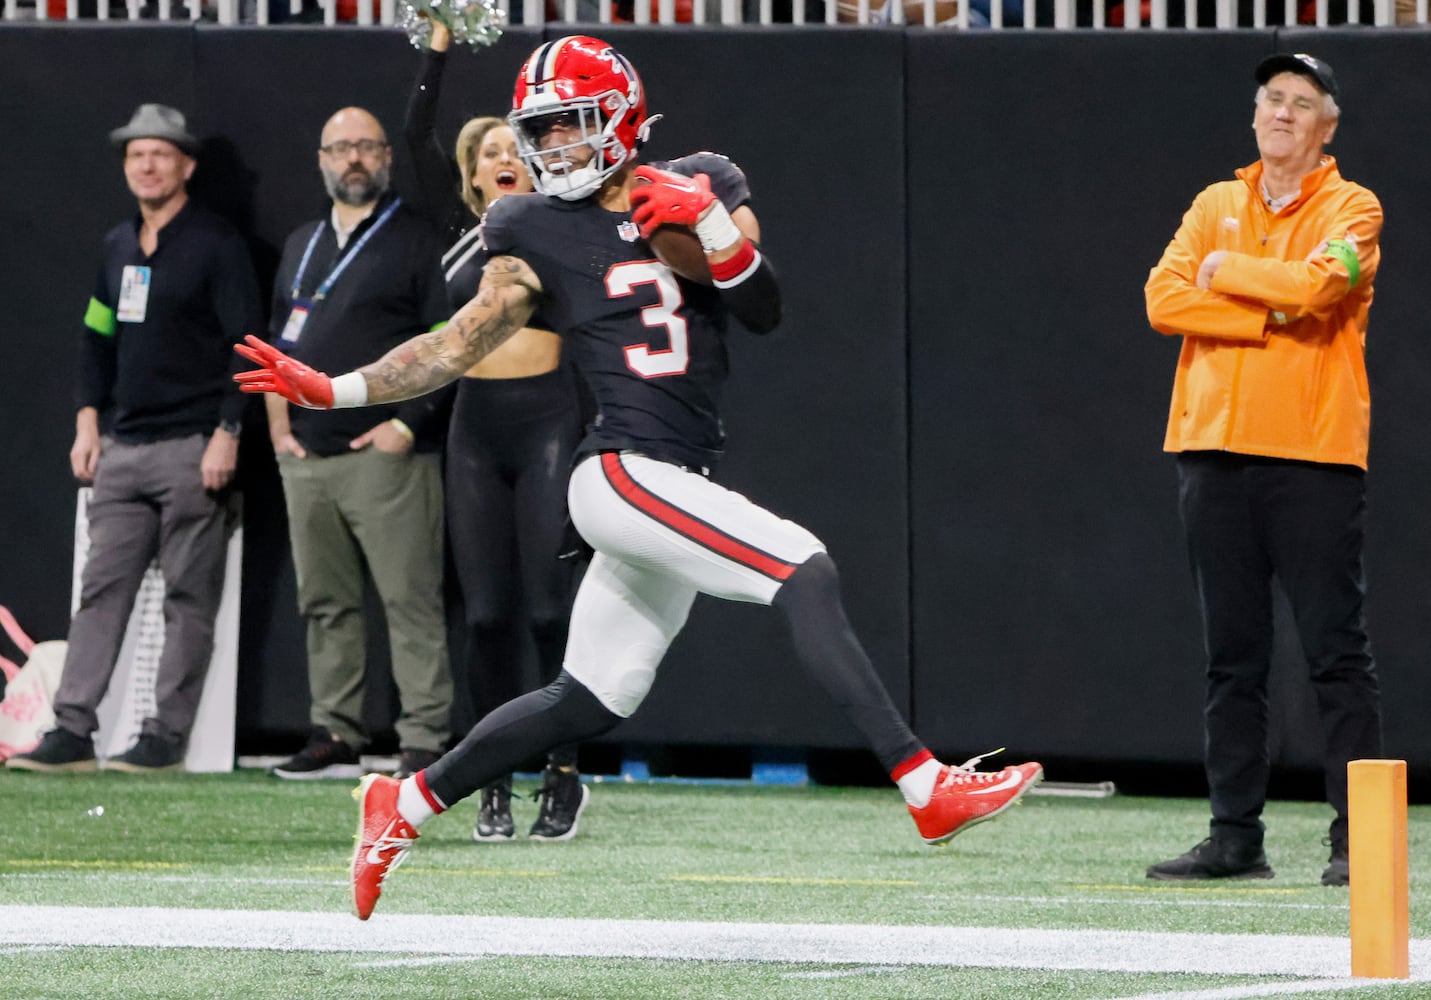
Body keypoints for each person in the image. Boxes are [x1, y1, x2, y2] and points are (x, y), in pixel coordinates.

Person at [234, 35, 1044, 921]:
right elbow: (456, 341)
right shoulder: (527, 225)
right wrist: (338, 388)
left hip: (669, 472)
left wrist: (705, 222)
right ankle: (924, 784)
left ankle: (406, 801)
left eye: (570, 126)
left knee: (588, 696)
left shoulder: (700, 178)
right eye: (539, 131)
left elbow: (760, 305)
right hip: (621, 469)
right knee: (801, 566)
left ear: (620, 117)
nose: (553, 149)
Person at [1143, 53, 1383, 888]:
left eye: (1301, 103)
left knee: (1333, 654)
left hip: (1311, 458)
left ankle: (1360, 842)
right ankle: (1233, 837)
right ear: (1254, 118)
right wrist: (1262, 311)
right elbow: (1162, 301)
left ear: (1326, 126)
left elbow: (1323, 290)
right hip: (1211, 451)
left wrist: (1228, 276)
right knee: (1231, 658)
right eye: (1271, 100)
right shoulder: (1215, 202)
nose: (1282, 113)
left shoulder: (1353, 208)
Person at [7, 104, 262, 774]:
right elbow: (96, 337)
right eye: (135, 155)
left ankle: (162, 737)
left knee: (187, 597)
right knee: (98, 592)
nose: (146, 165)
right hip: (122, 447)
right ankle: (72, 731)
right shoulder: (118, 245)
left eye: (160, 154)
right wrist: (87, 419)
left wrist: (227, 431)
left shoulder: (216, 244)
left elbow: (247, 348)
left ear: (186, 165)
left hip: (192, 447)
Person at [404, 21, 590, 842]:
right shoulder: (460, 234)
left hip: (548, 420)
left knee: (549, 611)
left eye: (512, 148)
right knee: (484, 617)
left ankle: (563, 772)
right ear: (472, 179)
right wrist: (439, 46)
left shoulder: (553, 225)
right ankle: (490, 780)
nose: (499, 159)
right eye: (485, 156)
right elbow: (414, 132)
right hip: (475, 430)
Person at [262, 107, 454, 782]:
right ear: (321, 158)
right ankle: (334, 731)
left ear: (387, 159)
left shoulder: (416, 239)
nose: (353, 159)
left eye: (367, 147)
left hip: (385, 455)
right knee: (323, 603)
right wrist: (278, 427)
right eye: (340, 147)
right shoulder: (301, 243)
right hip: (307, 457)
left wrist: (408, 426)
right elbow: (279, 347)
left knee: (410, 600)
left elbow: (450, 345)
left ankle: (424, 739)